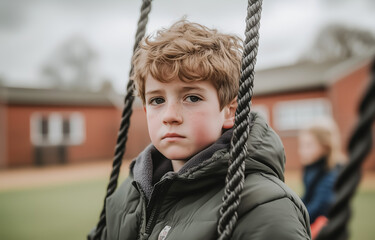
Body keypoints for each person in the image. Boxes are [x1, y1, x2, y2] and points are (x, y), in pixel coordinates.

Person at [89, 20, 311, 240]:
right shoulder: (130, 192)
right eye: (157, 100)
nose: (169, 116)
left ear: (229, 111)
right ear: (146, 109)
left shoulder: (263, 209)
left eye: (192, 98)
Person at [298, 116, 346, 237]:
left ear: (325, 147)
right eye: (302, 145)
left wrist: (294, 220)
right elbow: (307, 198)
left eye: (308, 145)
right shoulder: (311, 168)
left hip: (326, 230)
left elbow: (319, 206)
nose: (301, 150)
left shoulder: (332, 174)